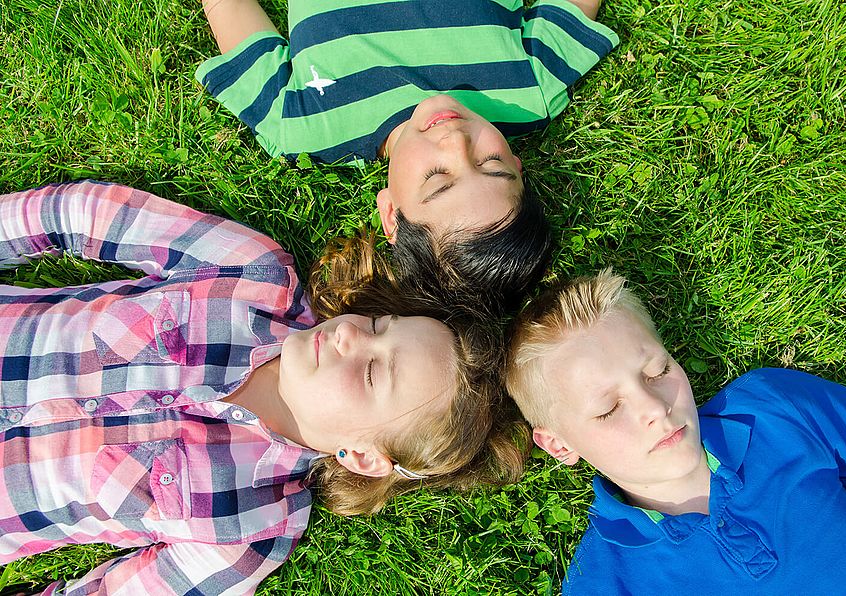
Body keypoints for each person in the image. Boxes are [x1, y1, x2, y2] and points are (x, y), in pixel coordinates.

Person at [0, 180, 526, 594]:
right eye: (377, 326)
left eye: (371, 372)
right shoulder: (252, 276)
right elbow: (88, 213)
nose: (347, 333)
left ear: (363, 457)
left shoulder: (249, 529)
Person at [196, 0, 619, 312]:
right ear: (518, 166)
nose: (456, 141)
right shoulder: (528, 91)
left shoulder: (304, 126)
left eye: (437, 179)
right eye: (493, 165)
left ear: (391, 214)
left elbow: (227, 8)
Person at [504, 270, 846, 594]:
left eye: (657, 371)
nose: (656, 408)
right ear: (559, 445)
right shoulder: (605, 583)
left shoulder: (775, 409)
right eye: (609, 409)